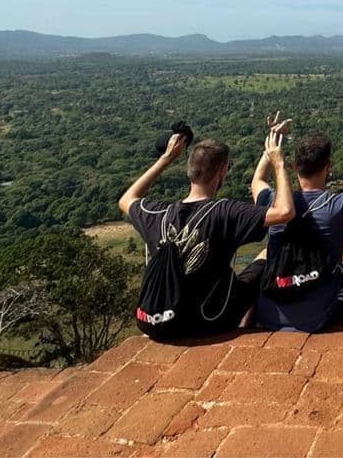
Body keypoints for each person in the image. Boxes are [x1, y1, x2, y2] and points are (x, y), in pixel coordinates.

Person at [117, 128, 295, 339]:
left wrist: (166, 159)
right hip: (205, 322)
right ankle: (247, 325)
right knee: (264, 260)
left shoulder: (158, 214)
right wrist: (279, 163)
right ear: (222, 171)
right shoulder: (225, 212)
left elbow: (126, 199)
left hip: (158, 324)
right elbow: (285, 212)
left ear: (189, 171)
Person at [250, 106, 343, 333]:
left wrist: (272, 146)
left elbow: (257, 180)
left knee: (262, 255)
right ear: (328, 166)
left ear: (294, 167)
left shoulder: (273, 202)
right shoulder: (340, 205)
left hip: (270, 311)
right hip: (319, 315)